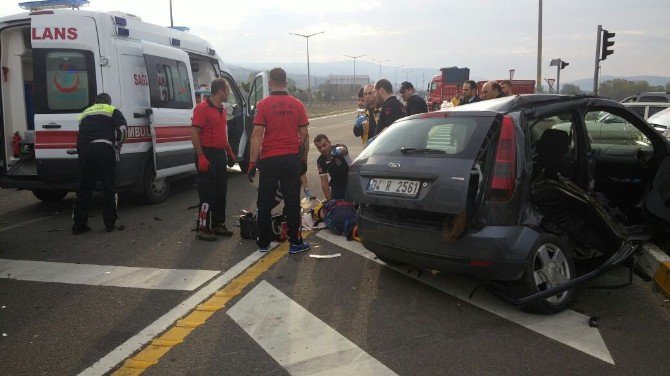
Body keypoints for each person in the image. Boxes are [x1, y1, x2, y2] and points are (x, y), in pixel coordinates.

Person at [248, 67, 311, 254]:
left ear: (269, 83)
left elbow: (256, 136)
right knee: (292, 202)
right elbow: (305, 136)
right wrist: (303, 160)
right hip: (291, 158)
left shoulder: (263, 105)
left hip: (269, 159)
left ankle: (263, 242)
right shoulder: (298, 104)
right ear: (286, 82)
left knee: (265, 201)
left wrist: (252, 163)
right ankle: (295, 242)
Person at [72, 93, 127, 234]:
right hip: (104, 149)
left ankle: (79, 225)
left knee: (84, 188)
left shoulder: (84, 113)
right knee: (109, 187)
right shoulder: (112, 109)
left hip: (86, 151)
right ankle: (109, 223)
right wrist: (118, 144)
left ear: (95, 102)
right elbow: (123, 129)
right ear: (108, 101)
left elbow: (82, 133)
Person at [191, 78, 237, 241]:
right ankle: (202, 227)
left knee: (220, 192)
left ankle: (218, 224)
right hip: (207, 153)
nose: (229, 93)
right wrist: (201, 156)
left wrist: (230, 152)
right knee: (207, 194)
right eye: (228, 90)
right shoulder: (202, 108)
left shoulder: (222, 110)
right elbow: (194, 133)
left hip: (219, 154)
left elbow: (222, 135)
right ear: (221, 91)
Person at [314, 134, 351, 200]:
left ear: (329, 143)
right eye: (319, 147)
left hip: (351, 180)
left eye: (324, 145)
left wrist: (336, 152)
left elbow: (344, 149)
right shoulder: (321, 161)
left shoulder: (338, 148)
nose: (322, 149)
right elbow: (324, 181)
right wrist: (329, 200)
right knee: (336, 206)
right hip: (337, 186)